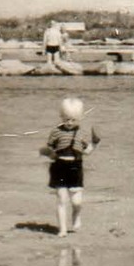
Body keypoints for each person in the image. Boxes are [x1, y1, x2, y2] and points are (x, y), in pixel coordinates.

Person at [41, 97, 98, 237]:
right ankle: (62, 229)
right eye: (66, 119)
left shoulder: (81, 133)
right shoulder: (56, 132)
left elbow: (87, 152)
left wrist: (95, 144)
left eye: (73, 119)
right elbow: (49, 148)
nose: (69, 123)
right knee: (61, 199)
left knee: (76, 201)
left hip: (75, 167)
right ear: (61, 116)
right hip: (59, 167)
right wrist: (48, 153)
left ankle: (76, 215)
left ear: (79, 118)